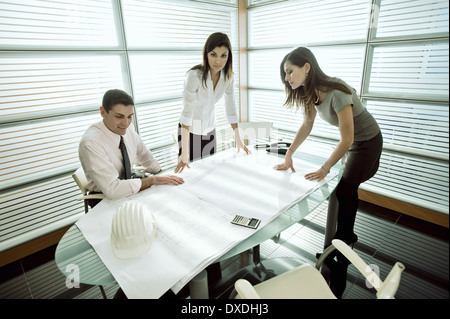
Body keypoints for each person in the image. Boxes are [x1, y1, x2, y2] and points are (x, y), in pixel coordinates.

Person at [274, 47, 383, 249]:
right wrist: (289, 154)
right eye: (285, 73)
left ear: (307, 67)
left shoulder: (337, 91)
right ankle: (343, 239)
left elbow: (347, 139)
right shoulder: (309, 91)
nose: (287, 78)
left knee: (345, 189)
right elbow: (307, 124)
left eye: (289, 71)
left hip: (368, 141)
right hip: (355, 142)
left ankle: (343, 240)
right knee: (346, 188)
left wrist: (324, 168)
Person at [79, 89, 184, 208]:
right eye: (119, 116)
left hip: (127, 185)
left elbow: (144, 155)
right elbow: (113, 190)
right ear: (103, 112)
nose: (126, 123)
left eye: (130, 116)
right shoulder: (91, 143)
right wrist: (152, 180)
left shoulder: (127, 128)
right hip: (105, 199)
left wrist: (161, 174)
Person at [174, 32, 250, 173]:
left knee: (209, 170)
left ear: (229, 57)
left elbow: (231, 108)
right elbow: (187, 113)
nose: (218, 61)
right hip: (189, 130)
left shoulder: (228, 78)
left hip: (209, 129)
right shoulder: (194, 77)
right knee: (190, 171)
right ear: (206, 54)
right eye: (213, 54)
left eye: (223, 55)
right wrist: (184, 152)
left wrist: (238, 138)